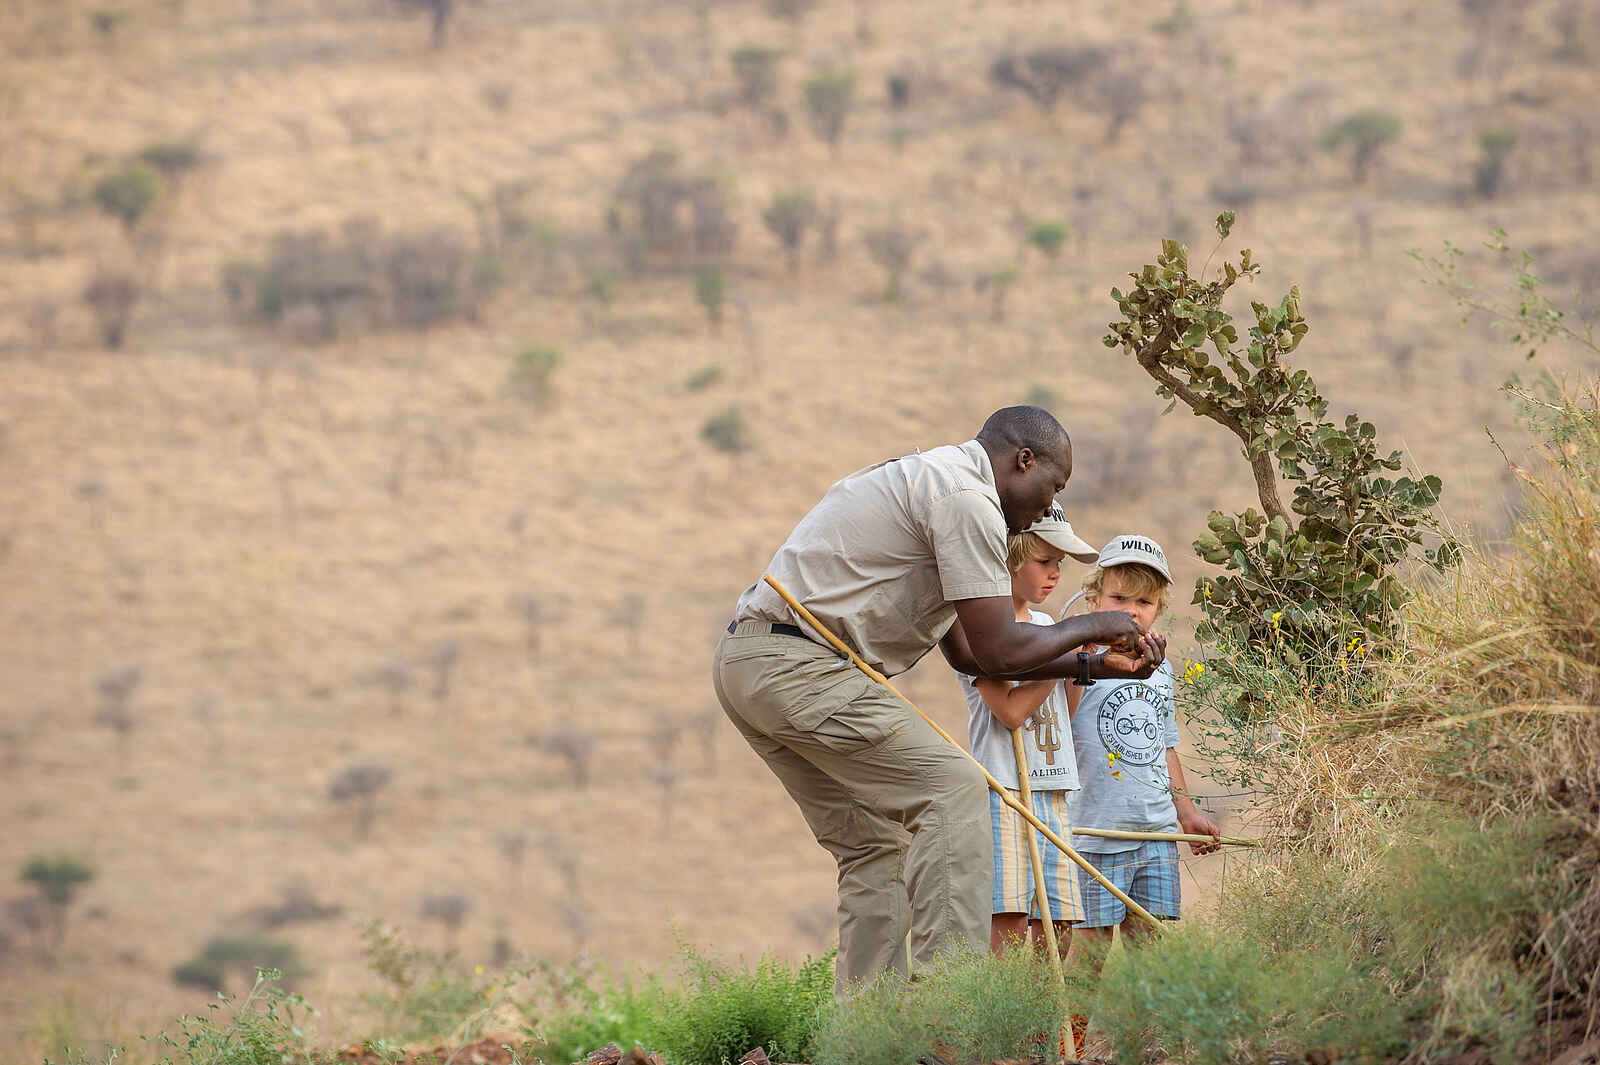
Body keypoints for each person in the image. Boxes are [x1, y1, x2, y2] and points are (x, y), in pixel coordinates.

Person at [713, 406, 1168, 996]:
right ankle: (946, 1015)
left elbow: (972, 656)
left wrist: (1093, 665)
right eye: (1053, 487)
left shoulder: (942, 485)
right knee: (954, 788)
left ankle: (870, 1032)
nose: (1047, 507)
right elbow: (999, 649)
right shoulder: (968, 500)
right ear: (1023, 461)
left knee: (877, 848)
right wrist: (1099, 625)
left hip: (751, 664)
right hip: (800, 666)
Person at [1063, 534, 1222, 1048]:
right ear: (1093, 600)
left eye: (1144, 602)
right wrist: (1084, 658)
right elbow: (1062, 727)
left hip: (1154, 831)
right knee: (1090, 948)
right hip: (1097, 830)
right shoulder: (1079, 660)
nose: (1131, 611)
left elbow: (1164, 744)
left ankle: (1147, 1047)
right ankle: (1072, 1047)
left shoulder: (1162, 669)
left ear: (1158, 610)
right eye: (1118, 598)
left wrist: (1186, 812)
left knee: (1151, 946)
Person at [956, 504, 1098, 957]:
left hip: (1054, 786)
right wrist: (1062, 661)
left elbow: (1063, 715)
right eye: (1044, 561)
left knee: (1059, 920)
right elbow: (1011, 712)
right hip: (1006, 791)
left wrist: (1079, 666)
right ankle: (1008, 1002)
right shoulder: (979, 634)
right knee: (1012, 916)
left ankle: (1042, 1006)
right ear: (1009, 559)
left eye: (1059, 564)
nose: (1055, 573)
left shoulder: (1047, 628)